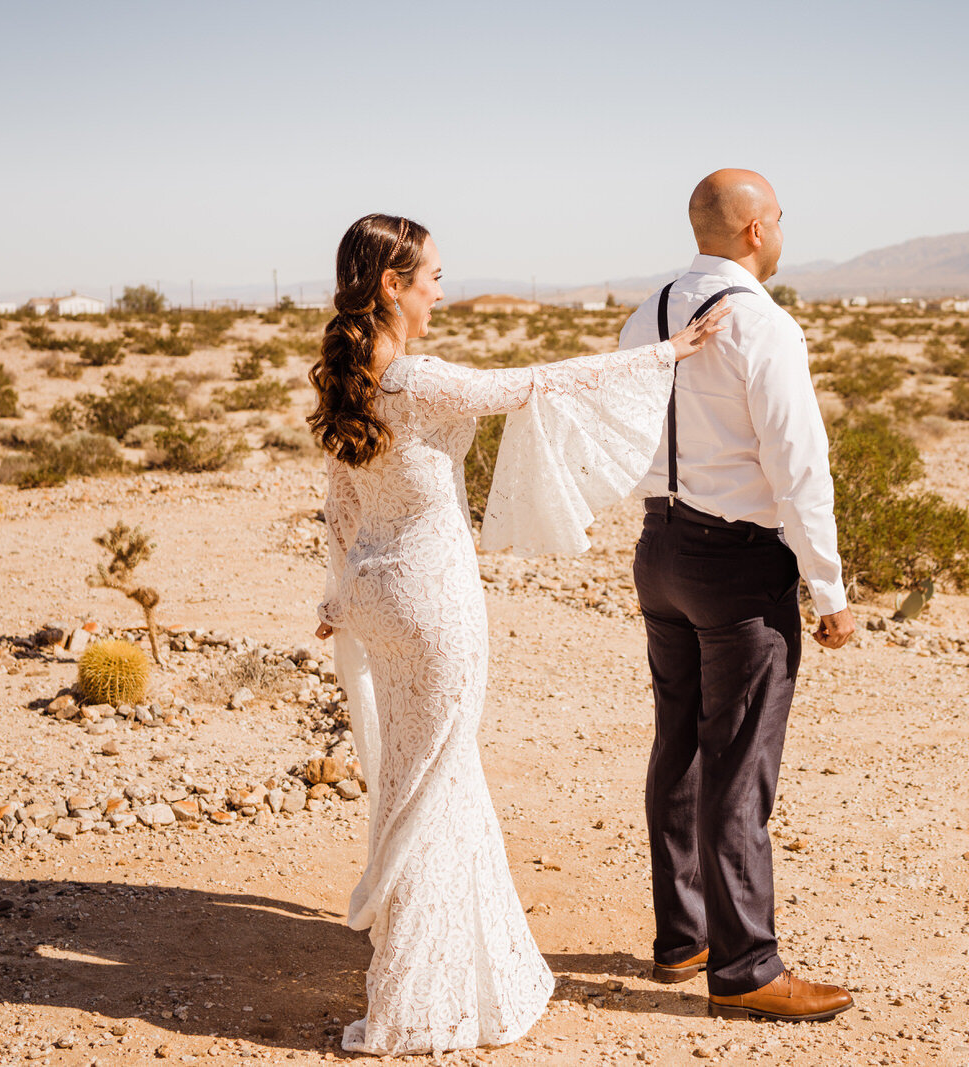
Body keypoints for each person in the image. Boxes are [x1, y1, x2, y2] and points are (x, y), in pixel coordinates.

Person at [309, 213, 729, 1056]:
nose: (439, 288)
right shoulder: (416, 378)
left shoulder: (358, 378)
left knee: (414, 770)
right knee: (439, 781)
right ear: (391, 285)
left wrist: (333, 592)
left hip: (373, 594)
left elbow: (340, 498)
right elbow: (538, 383)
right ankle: (419, 996)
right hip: (432, 599)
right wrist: (661, 357)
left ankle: (445, 957)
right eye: (429, 275)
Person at [619, 169, 857, 1022]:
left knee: (678, 738)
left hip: (660, 547)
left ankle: (683, 937)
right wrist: (828, 588)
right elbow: (799, 466)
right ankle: (747, 964)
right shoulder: (763, 322)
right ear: (755, 230)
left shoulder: (641, 315)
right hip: (737, 566)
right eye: (782, 218)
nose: (784, 231)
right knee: (740, 760)